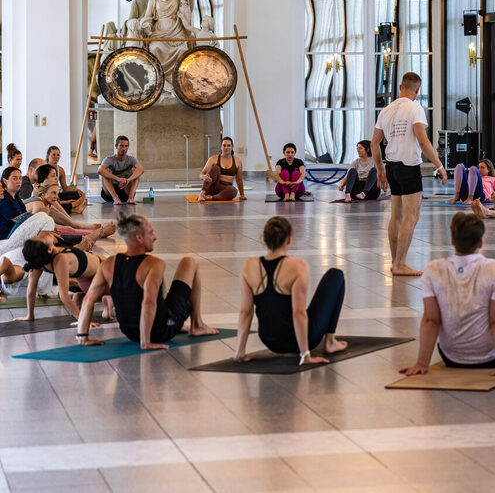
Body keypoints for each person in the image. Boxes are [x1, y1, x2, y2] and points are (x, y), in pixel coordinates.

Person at [400, 213, 495, 377]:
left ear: (452, 241)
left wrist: (422, 363)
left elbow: (431, 320)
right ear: (481, 242)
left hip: (451, 357)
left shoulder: (433, 270)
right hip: (491, 356)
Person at [75, 213, 217, 349]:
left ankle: (187, 325)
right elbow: (148, 303)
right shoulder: (153, 263)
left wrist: (82, 336)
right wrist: (146, 342)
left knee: (162, 297)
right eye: (151, 233)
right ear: (139, 238)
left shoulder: (108, 264)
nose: (154, 237)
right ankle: (197, 325)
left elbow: (88, 300)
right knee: (190, 262)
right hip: (160, 331)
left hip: (129, 332)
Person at [234, 216, 347, 362]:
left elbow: (245, 312)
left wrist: (240, 352)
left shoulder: (249, 266)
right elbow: (298, 313)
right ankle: (330, 342)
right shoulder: (298, 266)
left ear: (264, 238)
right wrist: (305, 356)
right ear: (288, 239)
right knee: (336, 275)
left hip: (270, 340)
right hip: (303, 338)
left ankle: (239, 352)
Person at [371, 72, 448, 277]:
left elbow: (374, 144)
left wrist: (380, 169)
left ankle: (396, 261)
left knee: (396, 216)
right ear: (417, 90)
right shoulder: (415, 109)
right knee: (411, 217)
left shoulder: (385, 110)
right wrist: (440, 166)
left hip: (392, 166)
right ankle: (400, 263)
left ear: (399, 87)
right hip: (409, 167)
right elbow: (423, 142)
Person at [20, 238, 113, 323]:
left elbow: (31, 291)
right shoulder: (60, 259)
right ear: (49, 250)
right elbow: (63, 296)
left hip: (88, 281)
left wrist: (30, 315)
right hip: (102, 274)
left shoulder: (38, 261)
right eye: (42, 239)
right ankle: (108, 298)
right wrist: (83, 322)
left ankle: (85, 296)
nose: (43, 236)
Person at [28, 167, 115, 240]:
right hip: (28, 237)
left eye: (57, 193)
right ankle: (98, 233)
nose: (55, 178)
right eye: (53, 176)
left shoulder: (43, 201)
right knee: (67, 231)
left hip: (32, 232)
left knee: (67, 229)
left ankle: (86, 228)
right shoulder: (39, 204)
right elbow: (36, 232)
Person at [98, 135, 144, 205]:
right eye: (121, 146)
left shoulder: (131, 159)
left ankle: (131, 198)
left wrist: (128, 180)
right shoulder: (109, 159)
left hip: (125, 191)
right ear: (116, 146)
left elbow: (141, 169)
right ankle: (116, 198)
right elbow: (100, 170)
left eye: (126, 146)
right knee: (105, 171)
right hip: (110, 193)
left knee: (136, 170)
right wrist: (118, 179)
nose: (124, 148)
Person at [197, 137, 246, 202]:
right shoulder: (213, 158)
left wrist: (242, 194)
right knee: (215, 168)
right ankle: (202, 194)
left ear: (232, 147)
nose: (226, 148)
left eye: (228, 145)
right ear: (221, 147)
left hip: (225, 189)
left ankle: (210, 198)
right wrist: (203, 176)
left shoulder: (237, 161)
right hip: (212, 186)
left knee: (233, 191)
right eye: (224, 145)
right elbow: (201, 174)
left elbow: (239, 180)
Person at [46, 146, 87, 214]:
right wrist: (64, 202)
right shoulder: (43, 169)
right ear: (48, 156)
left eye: (58, 155)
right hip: (48, 196)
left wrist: (78, 190)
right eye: (53, 155)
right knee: (52, 204)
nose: (56, 157)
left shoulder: (61, 170)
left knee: (77, 195)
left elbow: (65, 188)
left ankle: (73, 206)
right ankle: (73, 207)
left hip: (57, 195)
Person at [0, 166, 27, 239]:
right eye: (14, 178)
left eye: (20, 178)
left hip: (17, 234)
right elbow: (21, 221)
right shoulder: (3, 198)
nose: (18, 181)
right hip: (6, 237)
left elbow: (25, 214)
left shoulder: (16, 197)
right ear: (5, 181)